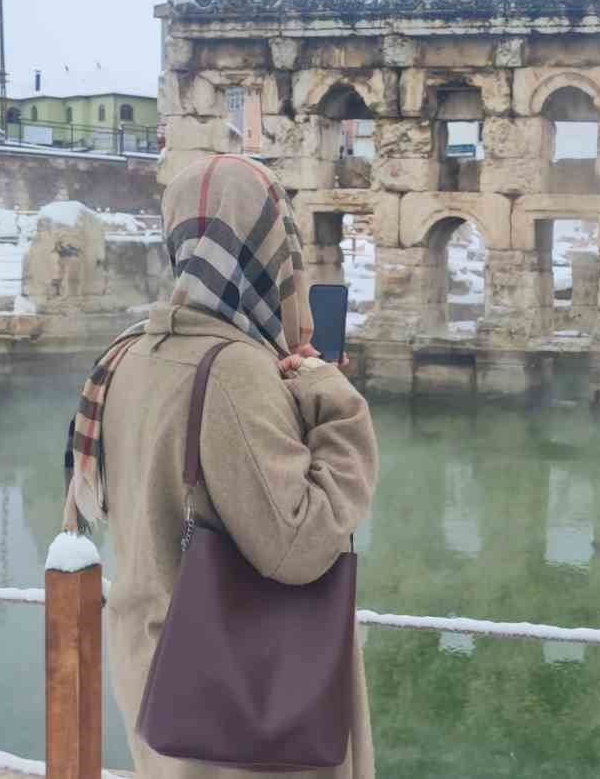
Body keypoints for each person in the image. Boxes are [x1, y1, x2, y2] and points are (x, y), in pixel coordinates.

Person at [63, 153, 380, 779]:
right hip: (245, 713)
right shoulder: (235, 368)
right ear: (271, 248)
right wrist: (335, 404)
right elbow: (300, 545)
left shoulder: (127, 353)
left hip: (158, 677)